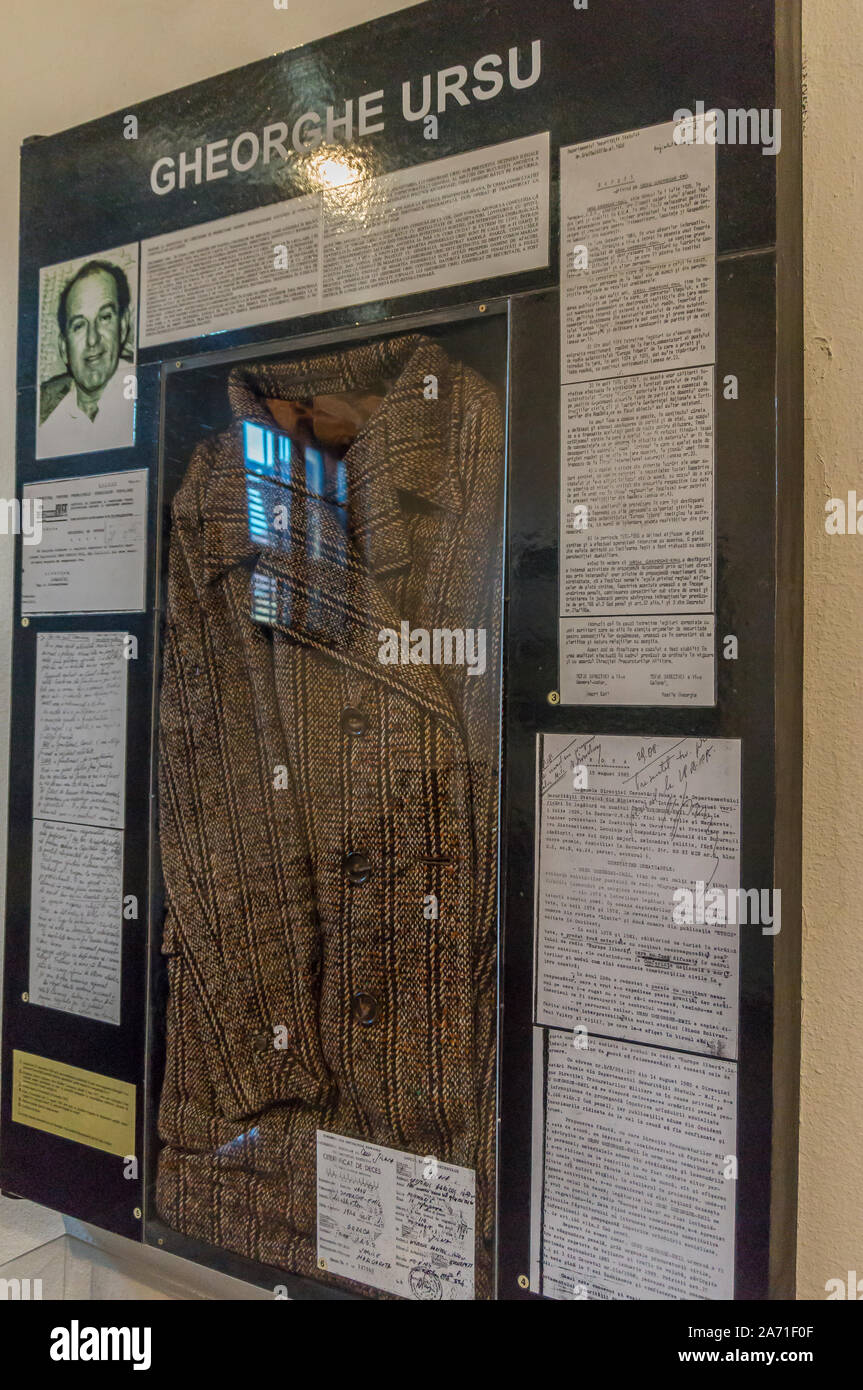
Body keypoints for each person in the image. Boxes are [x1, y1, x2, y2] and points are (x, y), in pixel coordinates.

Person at [38, 259, 134, 457]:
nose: (92, 339)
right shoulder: (44, 419)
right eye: (79, 325)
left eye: (105, 317)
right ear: (64, 348)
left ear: (122, 328)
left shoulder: (145, 396)